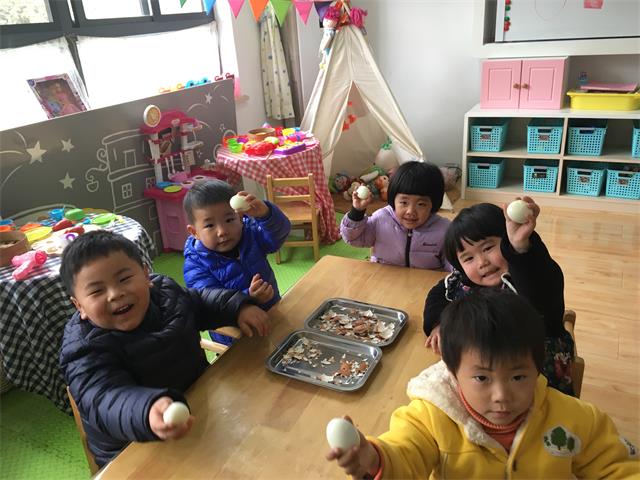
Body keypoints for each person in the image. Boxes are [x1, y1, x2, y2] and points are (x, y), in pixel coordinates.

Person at [326, 290, 639, 479]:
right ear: (452, 371)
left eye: (518, 377)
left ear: (537, 368)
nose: (501, 396)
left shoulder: (575, 419)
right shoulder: (430, 417)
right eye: (482, 378)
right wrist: (374, 460)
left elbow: (618, 467)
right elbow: (405, 456)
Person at [59, 230, 270, 467]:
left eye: (124, 279)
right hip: (132, 447)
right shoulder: (84, 348)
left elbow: (200, 304)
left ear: (146, 275)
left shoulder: (167, 294)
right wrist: (147, 409)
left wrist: (237, 308)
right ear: (79, 306)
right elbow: (103, 398)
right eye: (97, 291)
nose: (115, 294)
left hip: (197, 409)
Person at [423, 198, 575, 395]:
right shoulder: (464, 282)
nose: (482, 262)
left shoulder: (532, 276)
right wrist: (438, 323)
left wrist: (520, 247)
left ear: (508, 240)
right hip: (488, 378)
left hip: (539, 382)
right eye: (468, 258)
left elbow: (540, 296)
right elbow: (438, 294)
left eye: (488, 248)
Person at [183, 180, 291, 345]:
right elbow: (210, 304)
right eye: (210, 225)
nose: (222, 231)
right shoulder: (195, 265)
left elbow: (277, 236)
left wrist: (266, 214)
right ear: (194, 232)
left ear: (240, 217)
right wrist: (248, 299)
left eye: (229, 220)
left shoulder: (250, 235)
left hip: (272, 313)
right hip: (236, 336)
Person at [340, 161, 450, 269]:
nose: (410, 211)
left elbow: (453, 263)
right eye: (404, 202)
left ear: (433, 204)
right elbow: (352, 238)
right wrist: (357, 211)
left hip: (425, 280)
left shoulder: (444, 230)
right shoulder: (381, 219)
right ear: (393, 200)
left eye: (421, 204)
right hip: (385, 277)